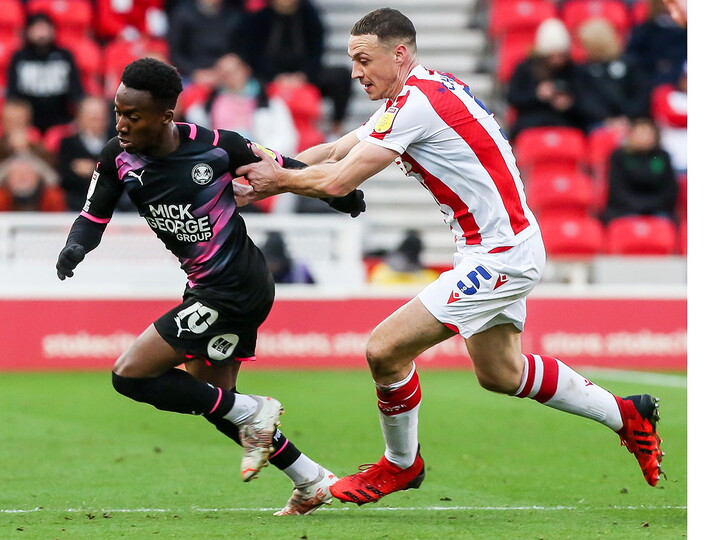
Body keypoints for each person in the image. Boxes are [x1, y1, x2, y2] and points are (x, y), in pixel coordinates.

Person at [237, 8, 664, 506]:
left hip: (501, 254)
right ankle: (627, 413)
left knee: (385, 349)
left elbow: (338, 181)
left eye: (363, 59)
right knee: (501, 373)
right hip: (496, 248)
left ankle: (401, 465)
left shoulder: (416, 103)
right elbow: (334, 151)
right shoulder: (415, 93)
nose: (355, 71)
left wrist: (276, 181)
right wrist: (257, 169)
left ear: (399, 54)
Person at [55, 58, 365, 515]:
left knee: (130, 374)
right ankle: (311, 479)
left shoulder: (220, 147)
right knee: (215, 401)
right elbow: (93, 214)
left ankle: (252, 411)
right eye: (118, 112)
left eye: (132, 116)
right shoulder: (116, 158)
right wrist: (75, 248)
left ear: (165, 116)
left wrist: (340, 195)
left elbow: (285, 166)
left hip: (234, 285)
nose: (120, 124)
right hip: (210, 287)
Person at [233, 0, 353, 137]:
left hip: (304, 75)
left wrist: (303, 76)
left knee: (341, 76)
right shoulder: (260, 17)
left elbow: (317, 51)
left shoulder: (309, 14)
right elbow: (253, 54)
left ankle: (335, 128)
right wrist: (276, 77)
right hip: (268, 76)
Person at [184, 53, 299, 157]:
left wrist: (262, 155)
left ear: (246, 70)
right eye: (223, 73)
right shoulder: (207, 107)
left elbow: (286, 137)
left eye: (233, 71)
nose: (229, 77)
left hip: (263, 158)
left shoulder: (270, 103)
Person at [506, 18, 594, 137]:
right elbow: (513, 97)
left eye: (561, 55)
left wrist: (569, 103)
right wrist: (537, 95)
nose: (557, 60)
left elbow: (588, 101)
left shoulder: (575, 71)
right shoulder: (525, 68)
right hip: (531, 122)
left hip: (566, 122)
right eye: (552, 56)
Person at [6, 12, 85, 133]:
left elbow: (76, 90)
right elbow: (13, 93)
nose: (41, 34)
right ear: (28, 32)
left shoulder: (64, 56)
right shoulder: (19, 57)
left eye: (45, 28)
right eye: (37, 29)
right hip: (27, 122)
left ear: (53, 31)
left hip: (62, 118)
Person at [56, 96, 136, 212]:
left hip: (116, 205)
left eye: (101, 118)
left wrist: (93, 169)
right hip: (77, 204)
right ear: (80, 118)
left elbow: (126, 174)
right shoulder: (68, 144)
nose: (98, 122)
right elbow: (64, 178)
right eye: (93, 118)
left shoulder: (119, 142)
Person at [576, 18, 649, 131]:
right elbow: (586, 101)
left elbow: (641, 95)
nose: (584, 49)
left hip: (633, 122)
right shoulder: (583, 71)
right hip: (599, 124)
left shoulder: (631, 65)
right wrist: (607, 119)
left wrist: (627, 117)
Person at [602, 118, 677, 223]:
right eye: (640, 133)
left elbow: (669, 190)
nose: (644, 137)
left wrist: (650, 206)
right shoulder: (620, 156)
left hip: (657, 210)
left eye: (648, 133)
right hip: (624, 209)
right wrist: (637, 206)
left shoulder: (661, 157)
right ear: (630, 135)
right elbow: (617, 189)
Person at [167, 0, 245, 83]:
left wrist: (231, 61)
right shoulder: (183, 13)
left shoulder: (233, 16)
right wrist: (194, 72)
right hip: (191, 73)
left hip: (225, 72)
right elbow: (174, 53)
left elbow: (241, 48)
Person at [0, 154, 67, 212]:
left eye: (27, 174)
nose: (22, 178)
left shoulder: (50, 197)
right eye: (17, 175)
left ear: (38, 177)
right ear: (7, 179)